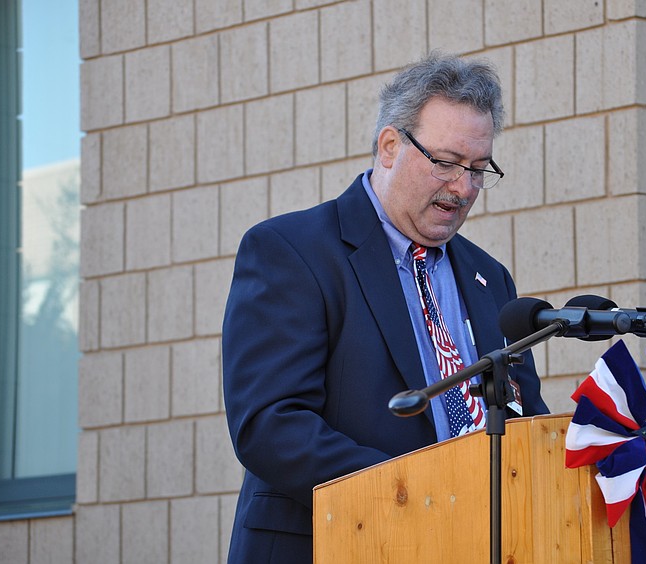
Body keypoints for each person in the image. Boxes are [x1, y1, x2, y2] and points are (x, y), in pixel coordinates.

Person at [222, 52, 549, 563]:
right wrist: (418, 491)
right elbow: (270, 424)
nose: (463, 188)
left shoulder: (491, 278)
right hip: (335, 544)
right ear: (391, 146)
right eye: (445, 162)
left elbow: (523, 419)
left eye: (479, 170)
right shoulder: (293, 251)